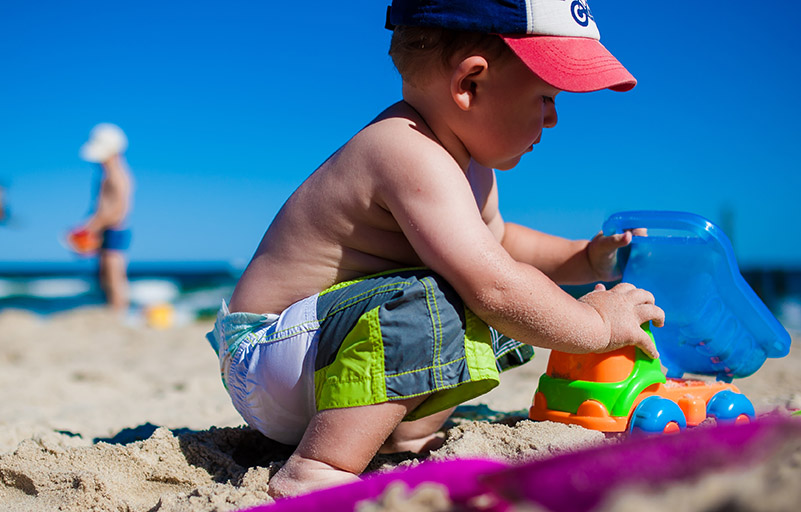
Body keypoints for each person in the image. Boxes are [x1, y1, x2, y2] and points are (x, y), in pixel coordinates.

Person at [206, 0, 665, 498]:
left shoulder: (470, 165)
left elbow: (500, 243)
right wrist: (596, 326)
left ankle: (400, 434)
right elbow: (496, 283)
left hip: (323, 361)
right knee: (462, 295)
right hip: (271, 358)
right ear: (470, 84)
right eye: (546, 96)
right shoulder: (404, 148)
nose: (553, 119)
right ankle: (319, 469)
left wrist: (582, 259)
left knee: (476, 286)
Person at [73, 123, 133, 312]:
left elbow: (119, 209)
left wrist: (92, 225)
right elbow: (101, 206)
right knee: (104, 273)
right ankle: (111, 307)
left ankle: (118, 310)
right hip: (105, 228)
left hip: (115, 229)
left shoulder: (118, 175)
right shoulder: (107, 175)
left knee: (114, 274)